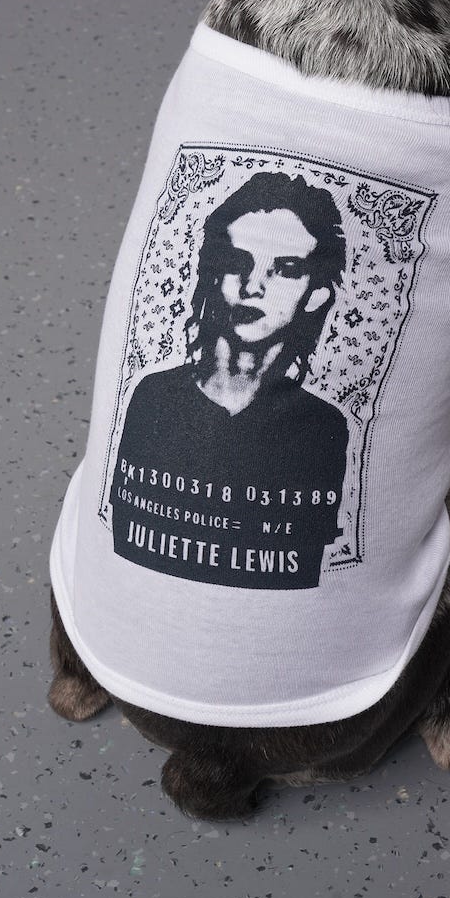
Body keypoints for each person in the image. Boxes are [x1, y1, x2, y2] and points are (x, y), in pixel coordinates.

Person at [110, 171, 350, 589]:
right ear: (213, 274)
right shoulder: (153, 396)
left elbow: (304, 567)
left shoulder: (325, 427)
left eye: (286, 269)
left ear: (316, 296)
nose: (253, 286)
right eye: (238, 262)